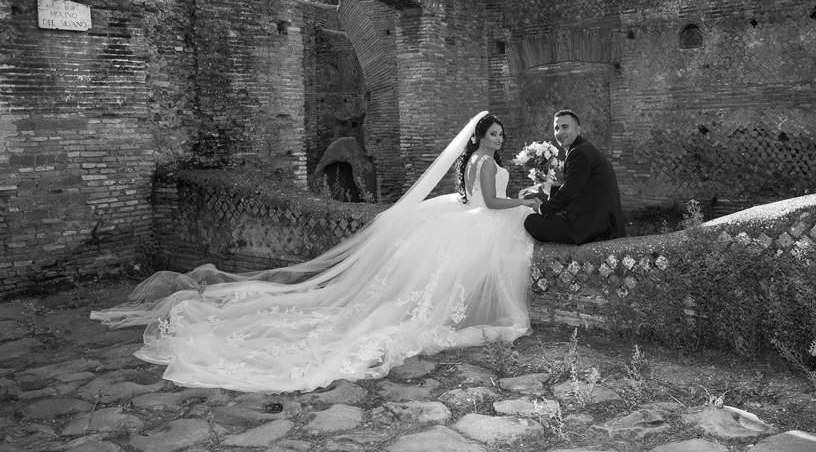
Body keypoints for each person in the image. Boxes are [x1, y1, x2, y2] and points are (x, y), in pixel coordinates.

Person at [91, 112, 537, 393]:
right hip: (480, 221)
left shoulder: (477, 161)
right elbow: (494, 203)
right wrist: (525, 201)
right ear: (480, 136)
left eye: (500, 134)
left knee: (438, 281)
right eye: (493, 133)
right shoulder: (487, 164)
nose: (499, 138)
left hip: (464, 218)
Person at [523, 110, 625, 245]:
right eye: (556, 128)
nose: (559, 132)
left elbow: (570, 191)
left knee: (530, 221)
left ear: (578, 129)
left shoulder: (579, 153)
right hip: (600, 221)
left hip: (593, 227)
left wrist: (543, 208)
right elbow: (580, 187)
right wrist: (550, 188)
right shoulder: (583, 149)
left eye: (565, 127)